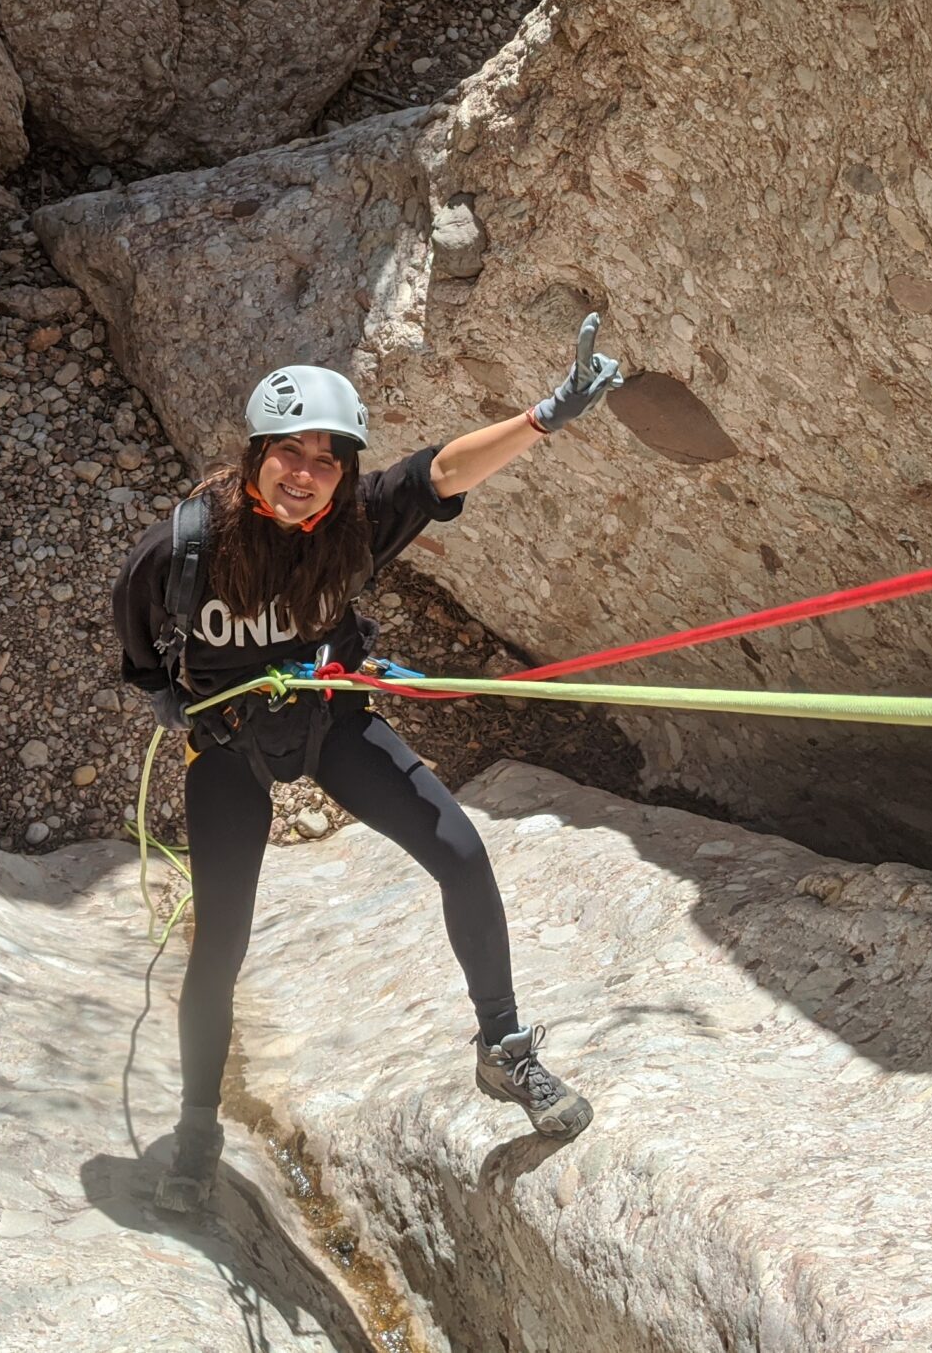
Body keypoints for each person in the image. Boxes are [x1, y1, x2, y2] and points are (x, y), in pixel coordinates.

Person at [112, 320, 625, 1212]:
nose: (306, 471)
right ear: (256, 454)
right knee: (221, 941)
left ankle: (504, 1051)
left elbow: (442, 472)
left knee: (461, 853)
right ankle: (198, 1127)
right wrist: (174, 701)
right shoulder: (181, 549)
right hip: (230, 742)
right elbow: (139, 649)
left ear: (346, 471)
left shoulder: (354, 525)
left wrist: (543, 416)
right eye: (289, 451)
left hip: (329, 721)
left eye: (328, 457)